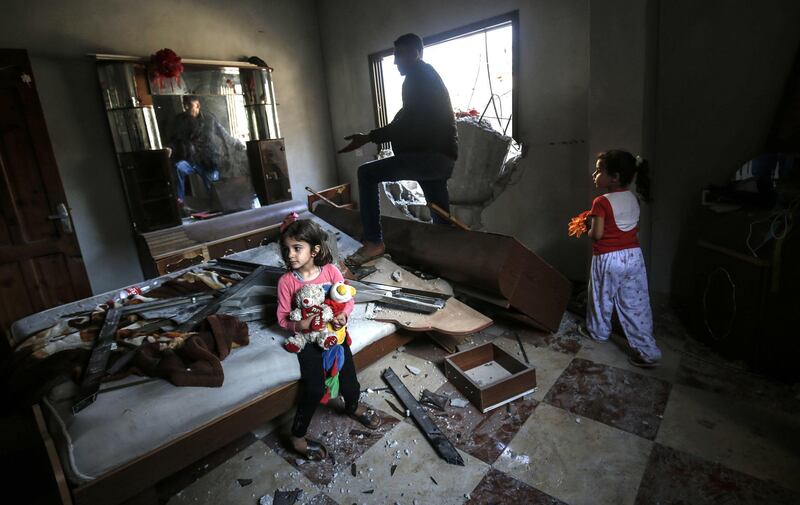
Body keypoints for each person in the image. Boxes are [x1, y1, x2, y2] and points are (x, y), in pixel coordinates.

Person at [338, 33, 458, 264]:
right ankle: (449, 255)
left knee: (367, 173)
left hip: (428, 158)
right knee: (440, 215)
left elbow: (406, 123)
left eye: (399, 54)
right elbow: (408, 120)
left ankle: (374, 242)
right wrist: (371, 137)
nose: (395, 62)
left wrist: (368, 138)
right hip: (440, 160)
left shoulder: (417, 77)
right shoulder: (428, 77)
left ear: (414, 53)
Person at [275, 215, 381, 460]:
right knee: (313, 388)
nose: (290, 254)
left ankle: (353, 406)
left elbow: (347, 299)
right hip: (309, 340)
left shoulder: (331, 272)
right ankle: (298, 436)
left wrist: (343, 315)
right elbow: (282, 318)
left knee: (349, 380)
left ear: (315, 250)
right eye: (286, 249)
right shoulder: (287, 282)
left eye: (297, 248)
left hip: (335, 335)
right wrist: (302, 324)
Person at [579, 150, 662, 368]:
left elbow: (597, 235)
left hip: (607, 258)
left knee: (600, 297)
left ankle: (598, 332)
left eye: (599, 171)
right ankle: (648, 350)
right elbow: (636, 227)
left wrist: (587, 226)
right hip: (634, 257)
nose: (595, 174)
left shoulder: (601, 202)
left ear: (614, 177)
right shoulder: (633, 198)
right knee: (636, 303)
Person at [165, 96, 240, 209]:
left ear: (197, 106)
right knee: (178, 168)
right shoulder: (180, 120)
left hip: (208, 160)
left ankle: (217, 209)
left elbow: (224, 134)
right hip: (190, 160)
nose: (185, 108)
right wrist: (170, 148)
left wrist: (236, 144)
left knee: (214, 191)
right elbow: (174, 139)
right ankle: (179, 202)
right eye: (184, 105)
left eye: (189, 105)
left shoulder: (209, 119)